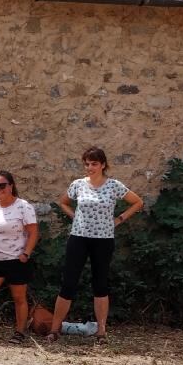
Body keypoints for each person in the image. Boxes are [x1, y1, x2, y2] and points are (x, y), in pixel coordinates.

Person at [47, 146, 143, 343]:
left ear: (103, 165)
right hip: (79, 238)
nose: (90, 167)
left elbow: (137, 202)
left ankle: (101, 331)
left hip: (104, 240)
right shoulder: (78, 185)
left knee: (100, 284)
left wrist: (119, 219)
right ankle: (54, 329)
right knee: (68, 283)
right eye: (87, 164)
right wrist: (74, 216)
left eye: (94, 164)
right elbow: (63, 202)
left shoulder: (114, 185)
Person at [0, 170, 39, 344]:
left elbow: (33, 232)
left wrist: (26, 253)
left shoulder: (23, 206)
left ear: (11, 186)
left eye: (2, 185)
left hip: (16, 259)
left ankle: (20, 332)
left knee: (19, 298)